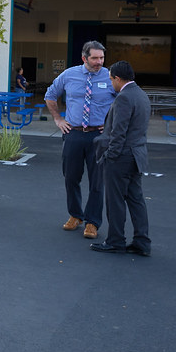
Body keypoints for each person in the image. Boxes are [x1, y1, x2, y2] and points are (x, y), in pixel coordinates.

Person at [44, 40, 116, 239]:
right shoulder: (69, 74)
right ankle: (75, 215)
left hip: (99, 136)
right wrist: (58, 119)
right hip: (74, 133)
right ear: (84, 58)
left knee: (97, 181)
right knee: (71, 177)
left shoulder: (110, 76)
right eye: (94, 58)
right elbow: (50, 95)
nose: (99, 62)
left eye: (101, 58)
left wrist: (110, 124)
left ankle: (92, 222)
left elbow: (123, 102)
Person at [90, 61, 151, 257]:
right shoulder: (141, 94)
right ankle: (142, 242)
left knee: (115, 200)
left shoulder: (124, 98)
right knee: (136, 200)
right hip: (137, 155)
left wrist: (110, 156)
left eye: (111, 79)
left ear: (117, 78)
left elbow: (119, 132)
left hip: (122, 157)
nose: (110, 83)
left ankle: (115, 241)